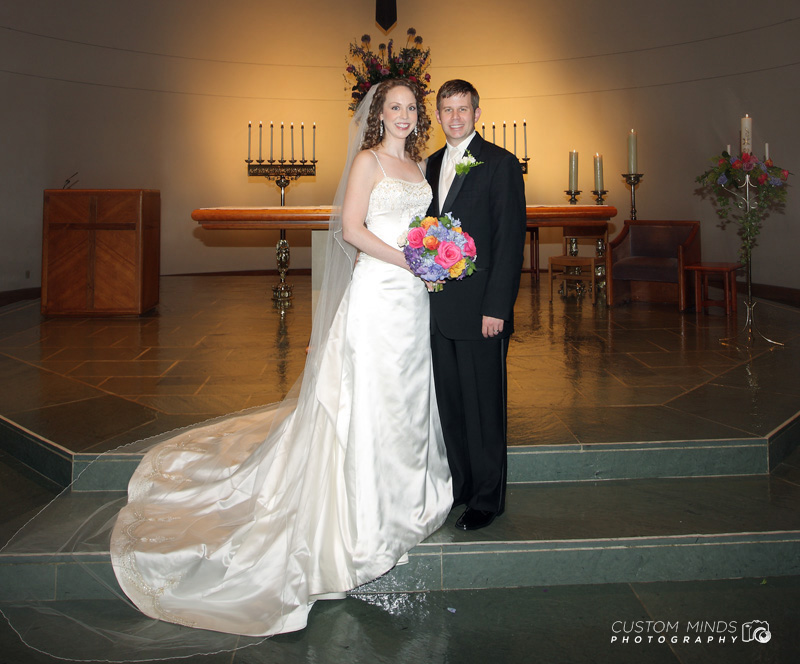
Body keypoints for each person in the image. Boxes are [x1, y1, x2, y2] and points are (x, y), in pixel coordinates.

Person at [108, 79, 452, 639]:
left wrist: (433, 255)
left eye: (413, 108)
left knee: (408, 393)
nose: (406, 115)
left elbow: (423, 228)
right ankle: (362, 511)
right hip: (379, 294)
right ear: (379, 115)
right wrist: (410, 259)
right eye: (396, 107)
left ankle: (409, 490)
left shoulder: (418, 169)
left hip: (414, 302)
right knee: (368, 394)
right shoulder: (368, 163)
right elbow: (351, 229)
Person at [425, 79, 527, 531]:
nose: (455, 117)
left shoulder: (500, 164)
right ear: (438, 114)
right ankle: (462, 489)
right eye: (447, 109)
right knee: (451, 406)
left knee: (485, 408)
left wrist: (497, 308)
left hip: (482, 311)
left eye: (463, 109)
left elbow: (508, 242)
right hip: (437, 311)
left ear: (477, 112)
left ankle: (488, 498)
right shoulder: (428, 165)